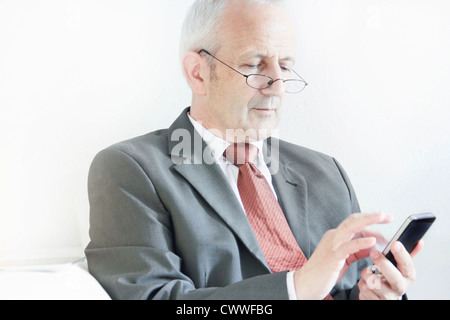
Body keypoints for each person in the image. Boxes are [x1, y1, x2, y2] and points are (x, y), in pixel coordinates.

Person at [85, 0, 422, 300]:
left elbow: (348, 289)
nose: (278, 84)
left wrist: (376, 296)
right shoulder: (130, 169)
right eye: (254, 64)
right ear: (198, 72)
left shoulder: (326, 174)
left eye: (285, 66)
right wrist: (296, 288)